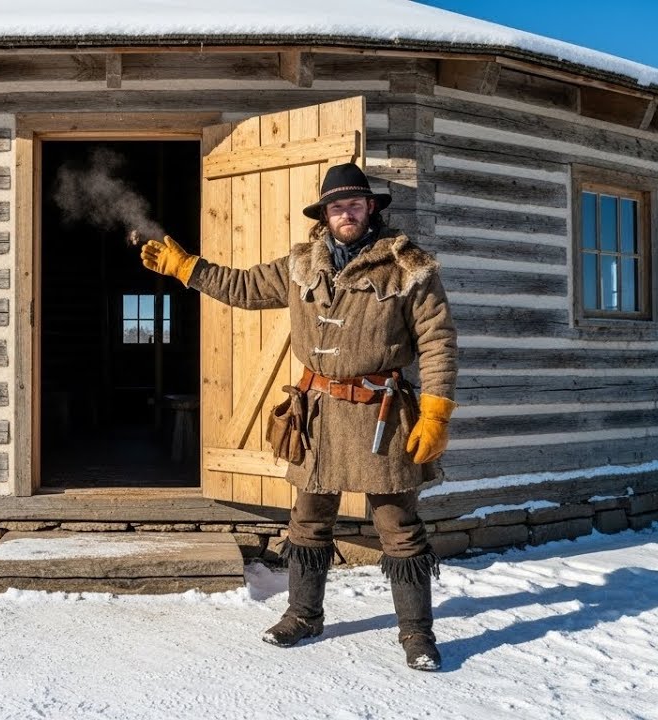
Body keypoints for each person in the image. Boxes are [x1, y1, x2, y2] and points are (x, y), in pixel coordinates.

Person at [140, 163, 458, 671]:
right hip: (317, 415)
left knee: (398, 526)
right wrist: (187, 268)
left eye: (355, 204)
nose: (346, 213)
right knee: (307, 521)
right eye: (337, 206)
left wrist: (437, 410)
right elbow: (242, 287)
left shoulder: (409, 267)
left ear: (371, 208)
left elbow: (438, 341)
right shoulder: (300, 264)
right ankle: (304, 615)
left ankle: (416, 634)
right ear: (326, 214)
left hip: (383, 414)